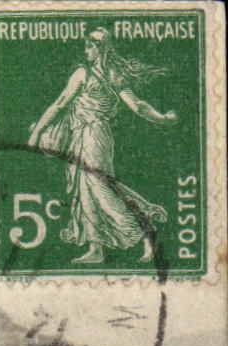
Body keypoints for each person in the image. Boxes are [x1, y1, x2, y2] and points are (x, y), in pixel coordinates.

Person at [27, 26, 178, 265]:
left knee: (100, 188)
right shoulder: (96, 74)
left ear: (101, 49)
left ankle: (145, 230)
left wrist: (36, 133)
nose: (86, 50)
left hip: (95, 135)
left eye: (90, 46)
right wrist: (161, 117)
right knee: (86, 190)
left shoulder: (90, 74)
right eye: (86, 45)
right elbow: (62, 103)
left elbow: (61, 104)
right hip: (82, 135)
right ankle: (96, 248)